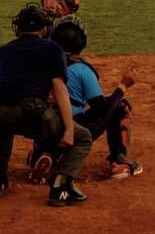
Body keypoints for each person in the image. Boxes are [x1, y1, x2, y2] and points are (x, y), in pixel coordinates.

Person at [0, 3, 93, 206]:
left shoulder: (1, 51)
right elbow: (59, 88)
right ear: (44, 29)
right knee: (83, 137)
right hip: (34, 114)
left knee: (1, 122)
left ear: (18, 28)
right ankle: (61, 185)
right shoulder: (52, 49)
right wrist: (69, 129)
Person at [43, 15, 142, 180]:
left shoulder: (42, 64)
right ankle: (119, 161)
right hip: (72, 128)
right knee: (119, 106)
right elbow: (101, 109)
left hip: (42, 126)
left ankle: (45, 154)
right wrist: (123, 86)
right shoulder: (82, 70)